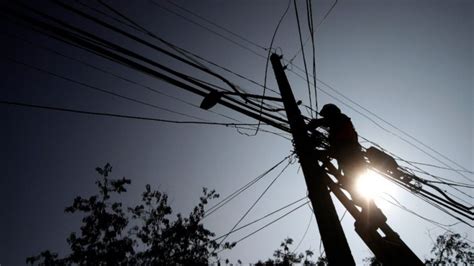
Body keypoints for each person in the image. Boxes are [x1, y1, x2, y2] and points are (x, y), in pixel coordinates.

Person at [307, 103, 365, 189]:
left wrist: (314, 124)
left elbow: (326, 122)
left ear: (331, 113)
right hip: (347, 155)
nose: (325, 117)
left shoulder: (341, 119)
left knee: (313, 154)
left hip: (350, 153)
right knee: (351, 181)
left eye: (326, 115)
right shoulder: (336, 126)